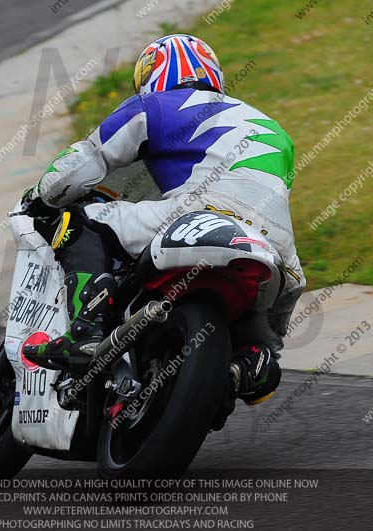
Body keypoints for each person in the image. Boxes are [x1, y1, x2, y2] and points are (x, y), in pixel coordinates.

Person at [22, 34, 305, 405]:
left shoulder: (155, 105)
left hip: (201, 214)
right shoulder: (274, 129)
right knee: (260, 345)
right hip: (277, 249)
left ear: (153, 73)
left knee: (85, 219)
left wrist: (41, 197)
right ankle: (254, 360)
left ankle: (86, 330)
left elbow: (86, 161)